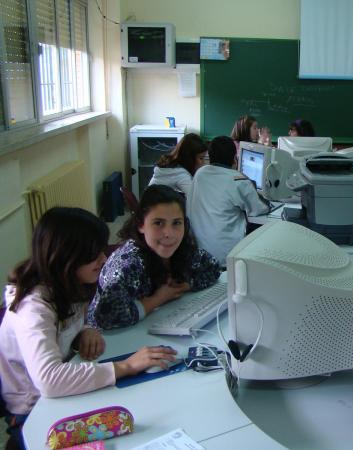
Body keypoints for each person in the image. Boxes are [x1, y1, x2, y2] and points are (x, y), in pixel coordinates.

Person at [0, 207, 177, 449]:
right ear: (68, 257)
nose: (103, 259)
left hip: (60, 395)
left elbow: (61, 329)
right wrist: (126, 366)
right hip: (34, 412)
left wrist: (83, 331)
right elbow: (49, 380)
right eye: (94, 254)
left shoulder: (68, 283)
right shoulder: (33, 308)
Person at [87, 185, 221, 330]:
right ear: (140, 225)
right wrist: (158, 299)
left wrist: (188, 284)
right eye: (158, 223)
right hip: (106, 342)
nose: (169, 233)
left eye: (176, 223)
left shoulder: (182, 249)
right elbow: (106, 316)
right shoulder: (127, 264)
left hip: (147, 326)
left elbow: (212, 267)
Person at [188, 136, 270, 265]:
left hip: (198, 252)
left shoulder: (200, 173)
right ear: (234, 159)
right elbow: (259, 209)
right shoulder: (238, 180)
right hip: (225, 257)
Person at [148, 133, 208, 198]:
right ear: (190, 158)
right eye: (201, 158)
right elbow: (195, 199)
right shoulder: (180, 175)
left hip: (150, 203)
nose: (203, 163)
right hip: (156, 205)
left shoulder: (170, 166)